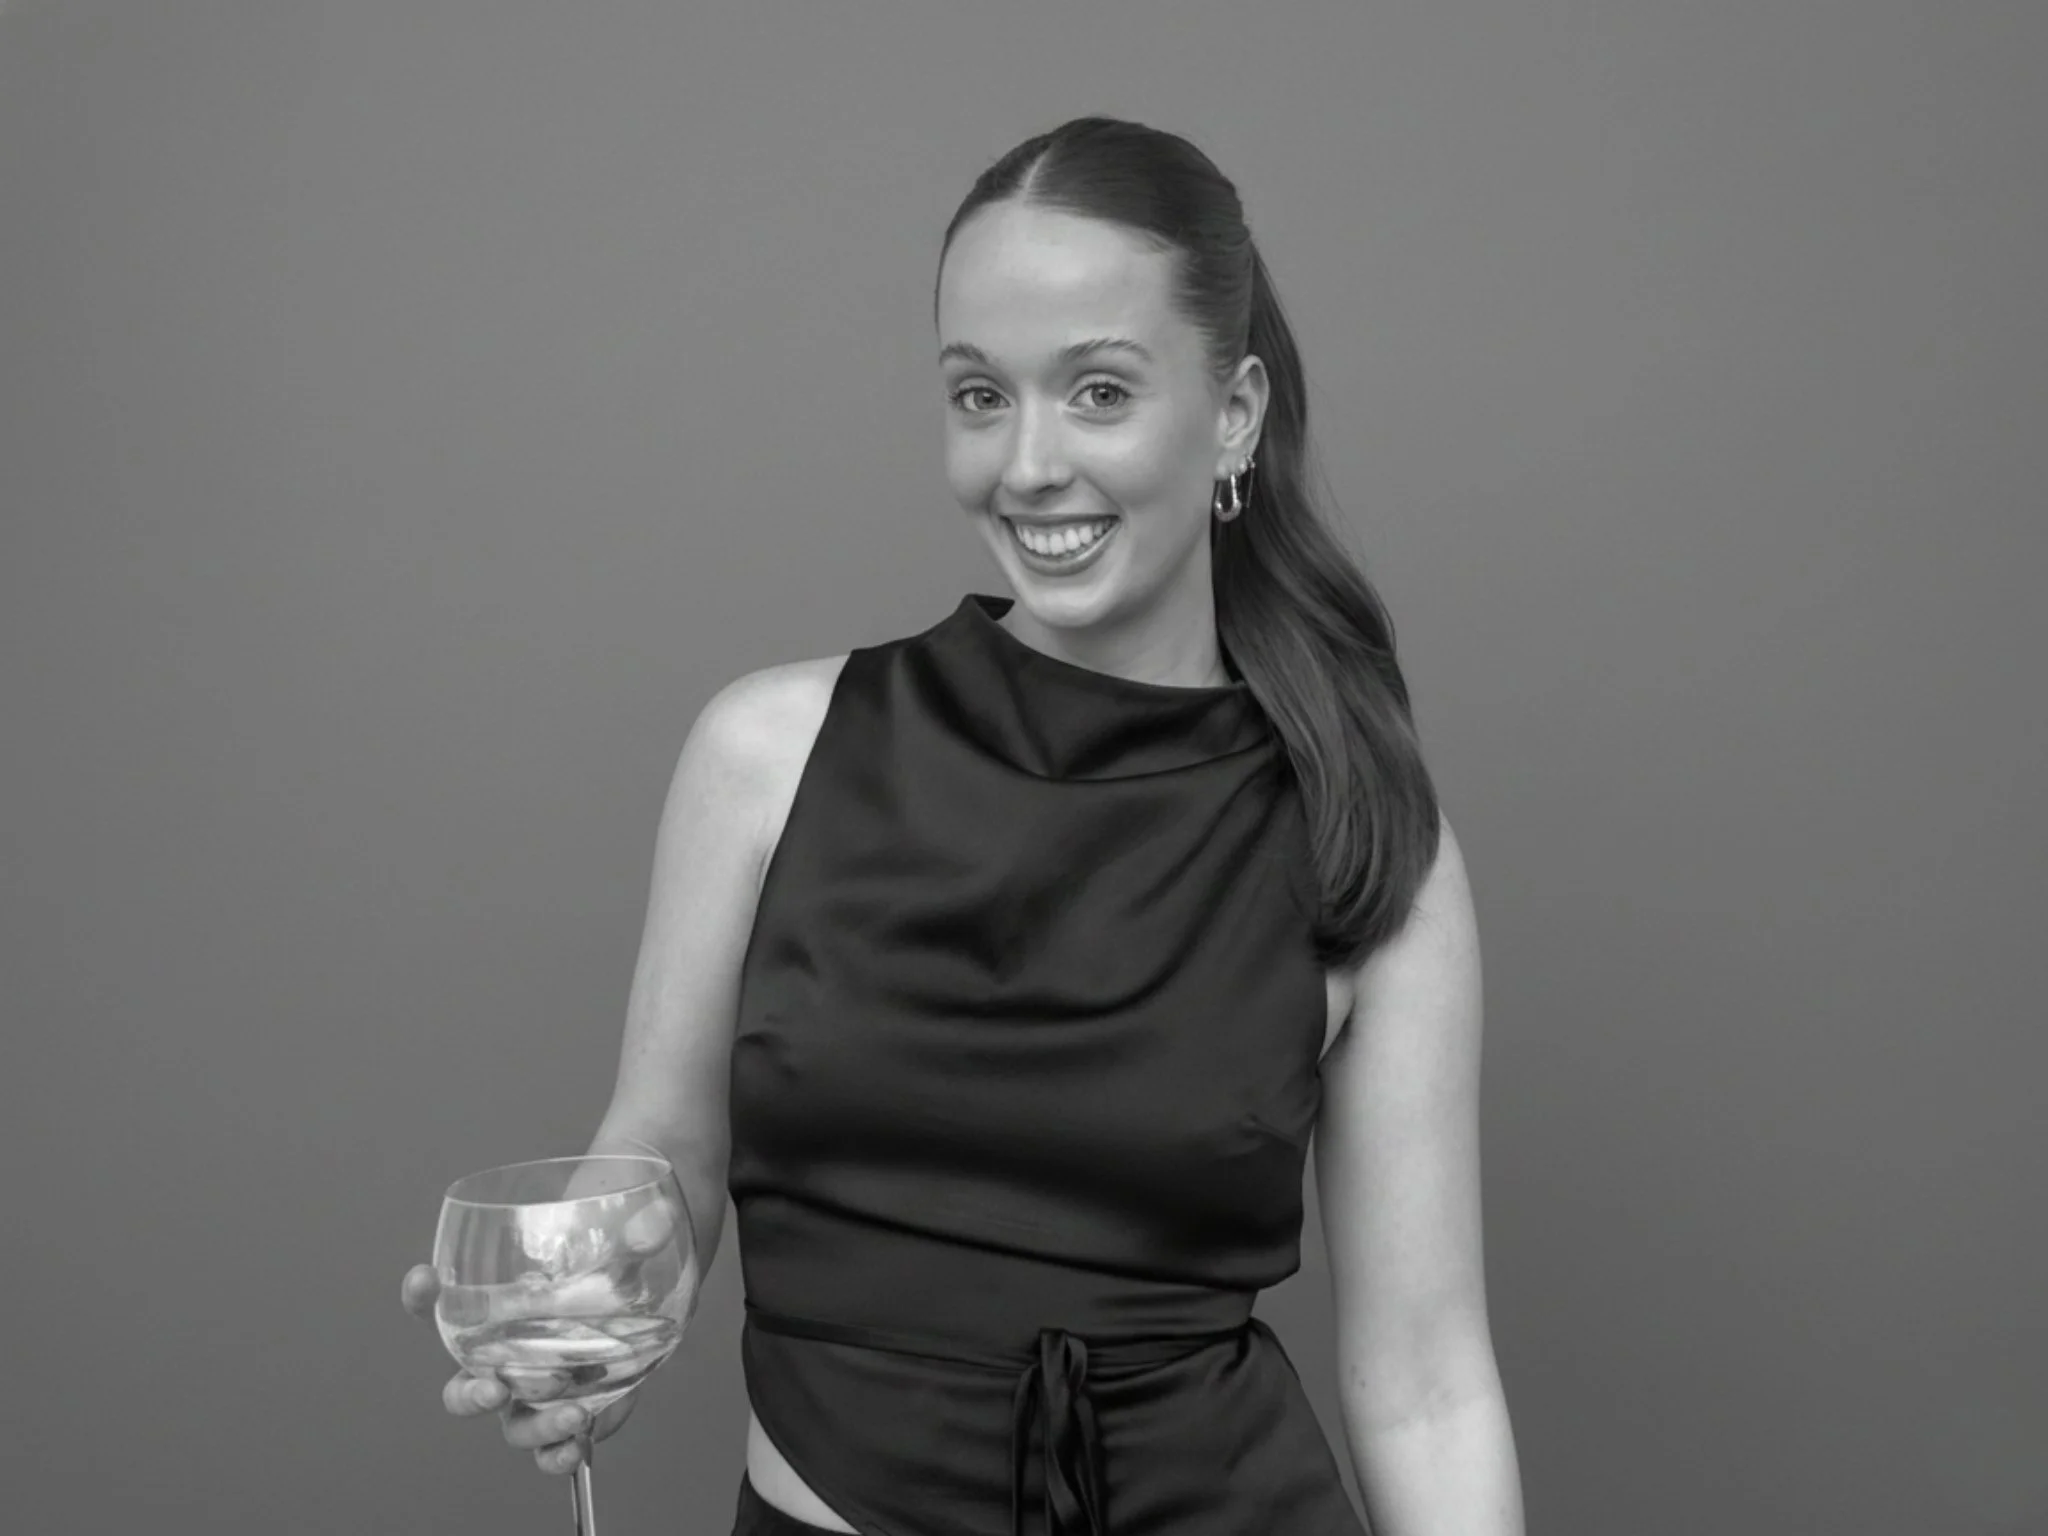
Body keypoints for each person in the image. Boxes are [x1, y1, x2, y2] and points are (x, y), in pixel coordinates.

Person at [403, 114, 1523, 1535]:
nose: (1029, 465)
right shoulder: (768, 754)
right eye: (981, 396)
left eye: (1100, 392)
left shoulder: (1365, 841)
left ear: (1233, 413)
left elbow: (1427, 1380)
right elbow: (666, 1161)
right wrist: (583, 1314)